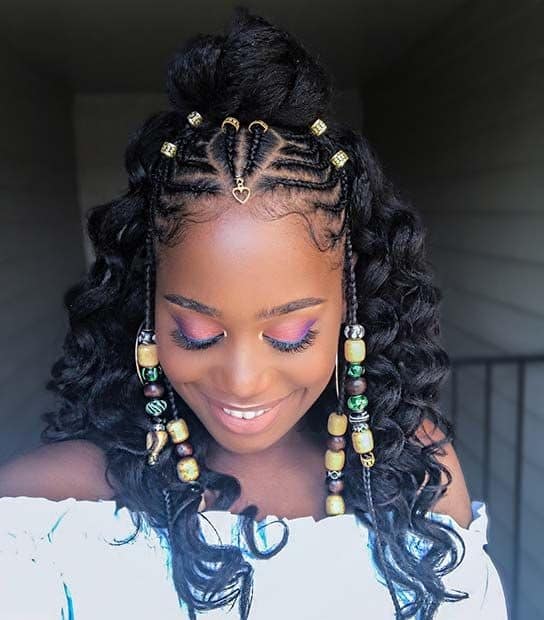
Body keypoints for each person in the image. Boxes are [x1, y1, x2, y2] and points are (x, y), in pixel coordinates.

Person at [0, 8, 507, 620]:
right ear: (147, 308)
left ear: (351, 308)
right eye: (197, 332)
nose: (243, 380)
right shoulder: (48, 519)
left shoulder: (414, 469)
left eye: (291, 334)